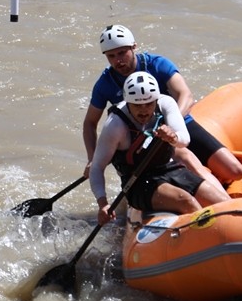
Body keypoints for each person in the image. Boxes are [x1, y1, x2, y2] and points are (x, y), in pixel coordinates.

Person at [83, 24, 242, 186]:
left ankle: (201, 176)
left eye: (122, 53)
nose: (118, 61)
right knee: (184, 157)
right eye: (111, 56)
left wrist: (171, 126)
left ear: (134, 47)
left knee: (235, 171)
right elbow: (90, 123)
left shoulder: (157, 64)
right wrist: (92, 159)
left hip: (179, 125)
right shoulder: (105, 83)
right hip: (140, 140)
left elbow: (186, 96)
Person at [89, 72, 230, 227]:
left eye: (149, 104)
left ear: (156, 100)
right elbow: (97, 167)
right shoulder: (115, 125)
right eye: (137, 105)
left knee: (222, 202)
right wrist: (103, 204)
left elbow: (185, 140)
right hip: (137, 183)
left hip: (168, 169)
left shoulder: (166, 104)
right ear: (127, 102)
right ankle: (207, 238)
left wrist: (173, 137)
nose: (143, 110)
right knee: (186, 201)